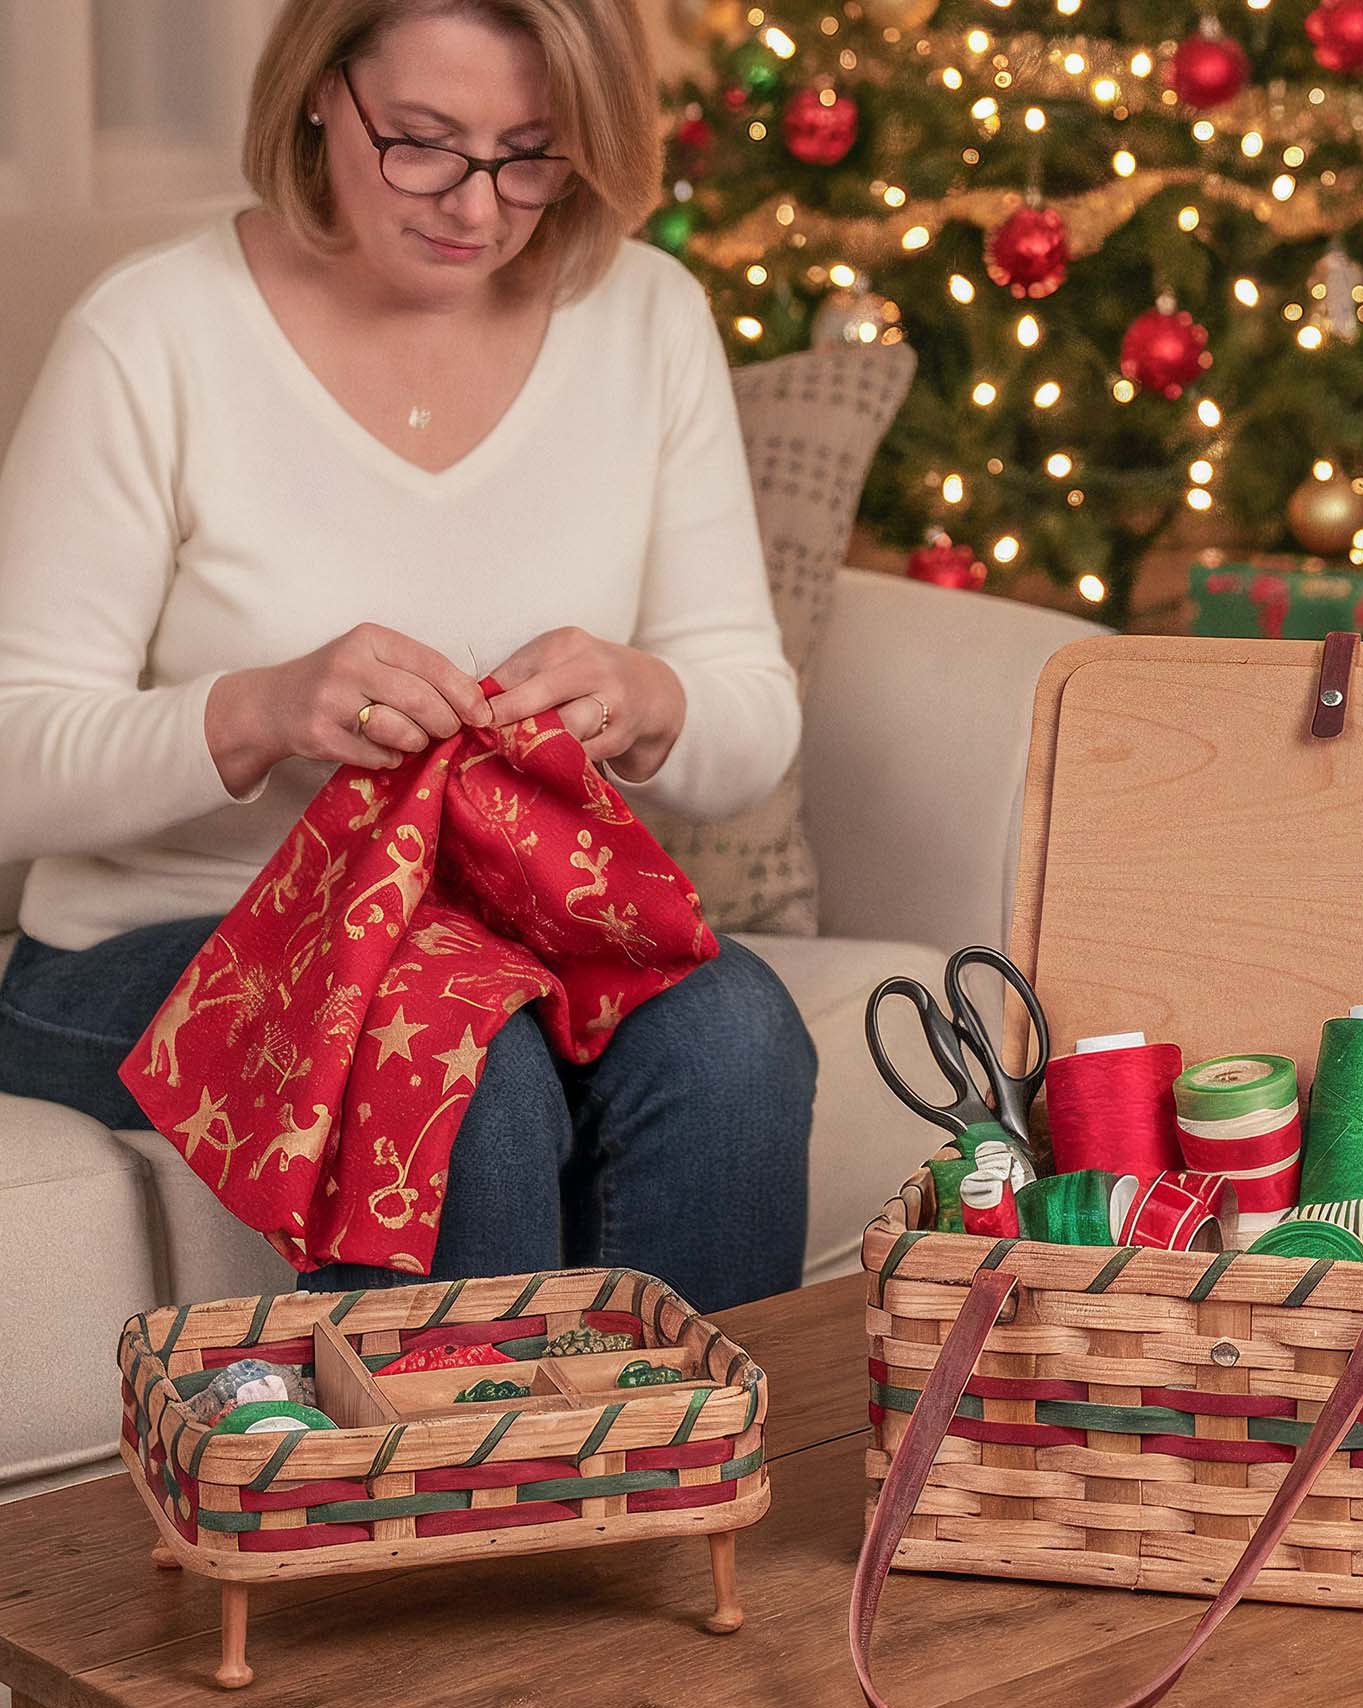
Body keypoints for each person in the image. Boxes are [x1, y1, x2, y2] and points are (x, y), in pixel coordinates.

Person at [0, 0, 816, 1311]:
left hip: (512, 927)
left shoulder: (647, 317)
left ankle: (682, 1497)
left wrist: (650, 697)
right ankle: (454, 1504)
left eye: (532, 153)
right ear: (323, 91)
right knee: (448, 1041)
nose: (479, 209)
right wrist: (256, 712)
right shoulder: (152, 334)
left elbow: (749, 718)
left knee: (735, 1029)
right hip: (150, 946)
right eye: (424, 143)